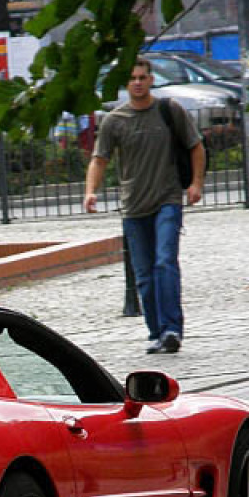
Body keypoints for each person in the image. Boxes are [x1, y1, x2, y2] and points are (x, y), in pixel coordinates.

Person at [83, 57, 204, 354]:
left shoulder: (169, 110)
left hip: (168, 199)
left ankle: (173, 329)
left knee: (164, 262)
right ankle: (156, 331)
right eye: (132, 78)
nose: (138, 82)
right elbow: (99, 160)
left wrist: (196, 184)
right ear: (127, 84)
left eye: (142, 77)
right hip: (134, 206)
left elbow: (196, 146)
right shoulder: (115, 121)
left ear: (151, 80)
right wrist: (90, 192)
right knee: (145, 276)